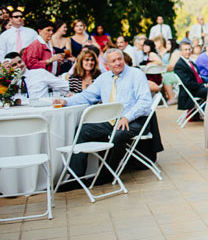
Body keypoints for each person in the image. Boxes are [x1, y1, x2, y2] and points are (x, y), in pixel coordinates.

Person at [53, 49, 154, 180]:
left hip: (136, 120)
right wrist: (66, 101)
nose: (118, 63)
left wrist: (127, 117)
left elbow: (145, 102)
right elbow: (87, 96)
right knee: (83, 130)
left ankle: (107, 174)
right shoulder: (104, 78)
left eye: (120, 59)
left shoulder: (136, 74)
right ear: (107, 64)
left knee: (118, 133)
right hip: (111, 121)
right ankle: (75, 176)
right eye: (114, 61)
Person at [3, 52, 69, 100]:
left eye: (20, 62)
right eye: (14, 65)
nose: (19, 65)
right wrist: (4, 74)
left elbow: (64, 85)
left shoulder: (40, 73)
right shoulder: (8, 81)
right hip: (19, 113)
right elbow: (3, 96)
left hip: (41, 111)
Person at [173, 41, 208, 111]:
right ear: (180, 51)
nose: (188, 52)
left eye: (189, 49)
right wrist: (204, 85)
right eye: (185, 50)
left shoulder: (190, 62)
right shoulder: (179, 65)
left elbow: (198, 77)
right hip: (190, 92)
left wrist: (206, 83)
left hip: (197, 88)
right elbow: (188, 83)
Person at [161, 39, 180, 104]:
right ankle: (164, 98)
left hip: (177, 73)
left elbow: (172, 66)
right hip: (171, 72)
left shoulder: (176, 52)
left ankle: (171, 97)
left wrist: (162, 70)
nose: (166, 45)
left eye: (168, 44)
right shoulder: (169, 53)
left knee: (165, 78)